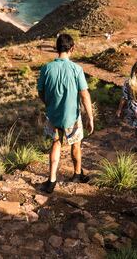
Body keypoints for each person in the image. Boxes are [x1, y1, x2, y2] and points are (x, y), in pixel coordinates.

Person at [37, 33, 94, 194]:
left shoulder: (47, 68)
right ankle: (77, 174)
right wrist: (90, 116)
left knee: (56, 143)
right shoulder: (77, 69)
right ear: (72, 49)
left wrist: (48, 103)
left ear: (56, 48)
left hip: (53, 114)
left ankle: (52, 180)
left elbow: (40, 91)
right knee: (76, 145)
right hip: (72, 116)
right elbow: (84, 94)